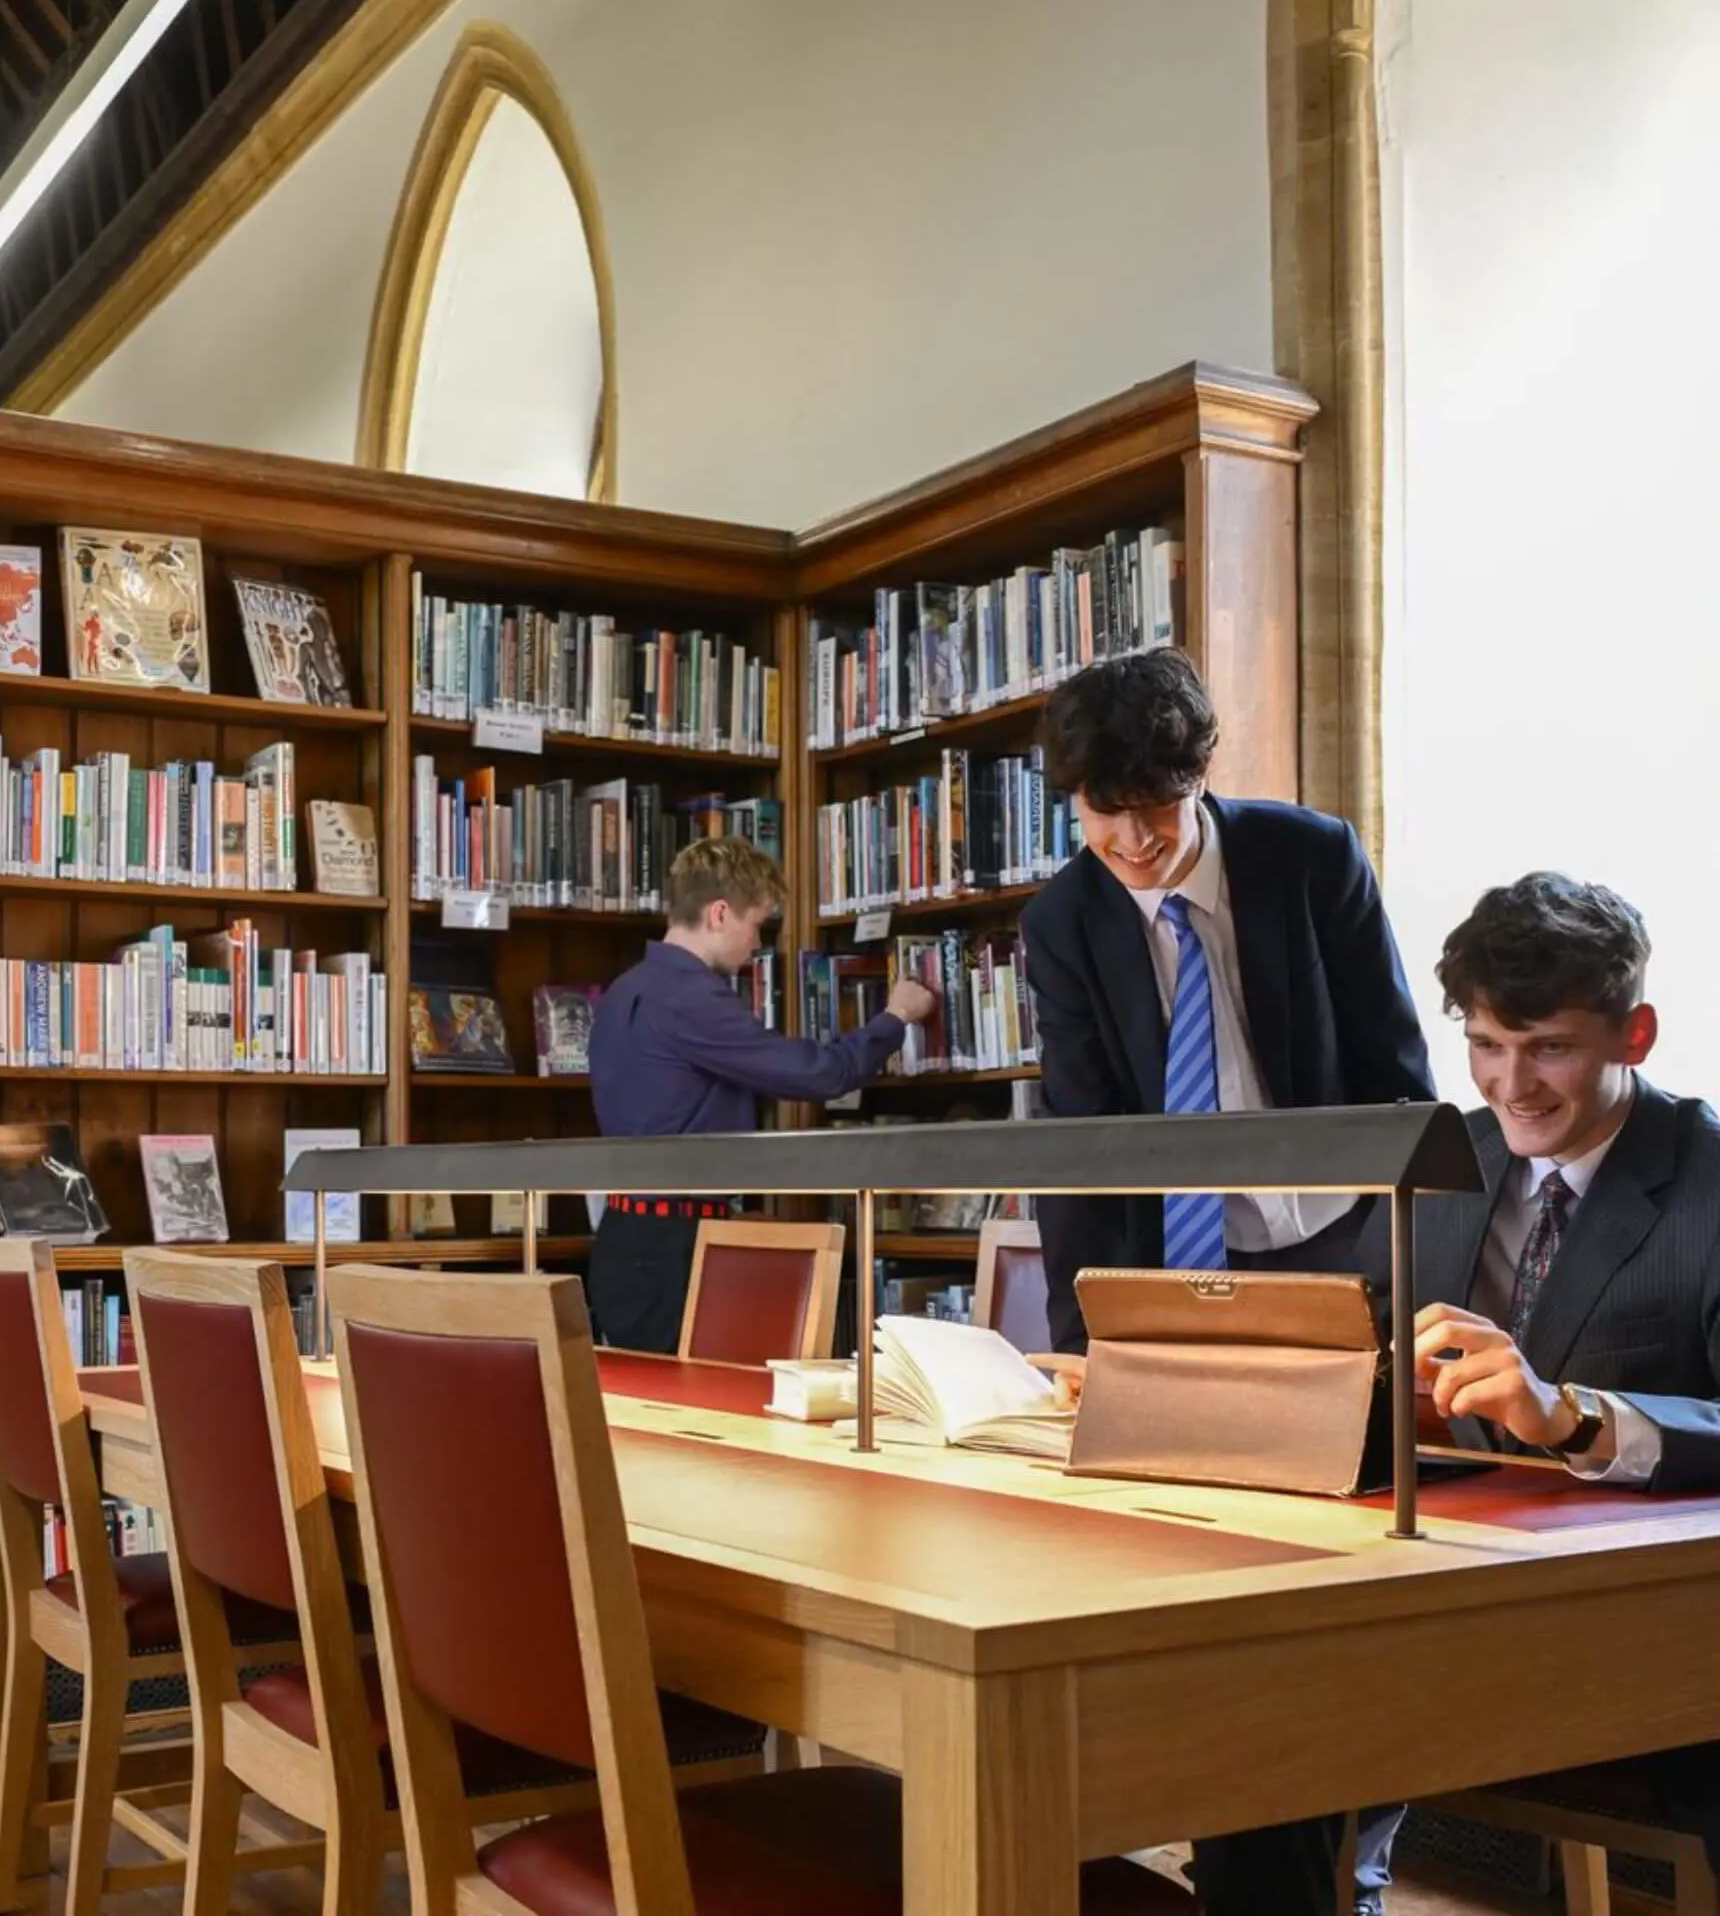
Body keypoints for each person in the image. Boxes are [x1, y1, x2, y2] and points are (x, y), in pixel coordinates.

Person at [1019, 649, 1435, 1916]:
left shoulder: (1309, 857)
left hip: (1333, 1248)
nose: (1135, 842)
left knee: (1352, 1567)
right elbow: (1080, 1134)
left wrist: (1407, 1262)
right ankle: (1242, 1843)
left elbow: (1396, 1066)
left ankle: (1344, 1854)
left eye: (1158, 809)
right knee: (1198, 1570)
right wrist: (1081, 1323)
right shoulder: (1064, 918)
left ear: (1201, 780)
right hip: (1176, 1266)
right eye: (1105, 816)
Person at [1410, 872, 1720, 1869]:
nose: (1510, 1085)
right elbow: (1356, 1339)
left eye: (1549, 1049)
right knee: (1251, 1746)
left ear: (1636, 1036)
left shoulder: (1708, 1180)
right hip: (1431, 1591)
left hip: (1639, 1634)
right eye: (1486, 1047)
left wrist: (1575, 1417)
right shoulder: (1443, 1157)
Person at [586, 837, 935, 1354]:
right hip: (672, 1250)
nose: (757, 945)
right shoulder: (688, 996)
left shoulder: (622, 991)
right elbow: (817, 1074)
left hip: (627, 1238)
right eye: (757, 924)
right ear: (720, 914)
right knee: (696, 1409)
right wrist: (895, 1018)